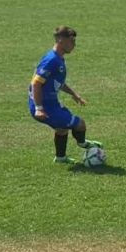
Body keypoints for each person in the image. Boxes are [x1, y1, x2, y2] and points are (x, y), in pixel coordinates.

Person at [29, 26, 102, 164]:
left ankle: (60, 158)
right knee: (80, 124)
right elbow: (36, 83)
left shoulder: (58, 59)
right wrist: (39, 108)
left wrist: (74, 94)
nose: (74, 45)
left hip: (51, 104)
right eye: (71, 41)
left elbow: (57, 82)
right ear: (60, 40)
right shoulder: (51, 60)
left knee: (62, 129)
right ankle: (84, 144)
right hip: (45, 107)